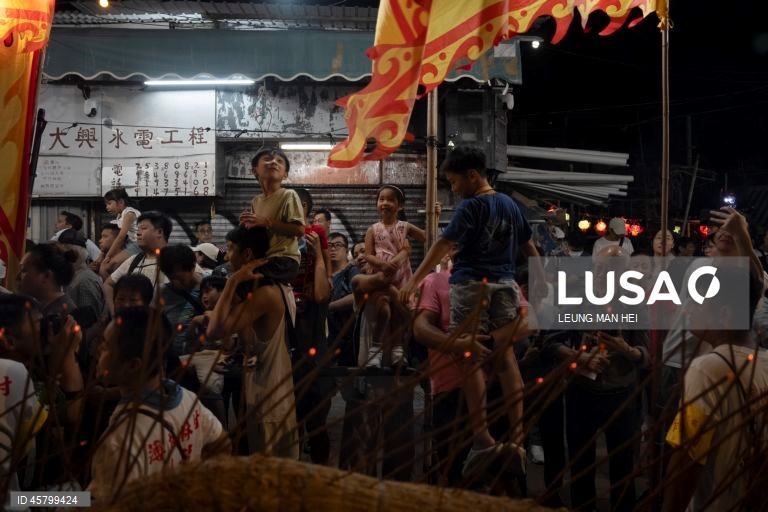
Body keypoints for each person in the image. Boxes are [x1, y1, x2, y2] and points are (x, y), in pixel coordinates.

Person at [400, 146, 546, 469]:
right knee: (506, 357)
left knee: (469, 357)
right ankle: (517, 439)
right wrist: (541, 280)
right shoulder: (510, 204)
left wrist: (414, 280)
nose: (453, 189)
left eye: (454, 182)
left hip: (470, 284)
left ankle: (482, 438)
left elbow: (443, 244)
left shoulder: (471, 206)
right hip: (505, 284)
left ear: (472, 176)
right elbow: (529, 246)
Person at [88, 306, 228, 504]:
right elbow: (223, 443)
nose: (98, 351)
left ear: (133, 365)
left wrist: (50, 499)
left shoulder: (119, 439)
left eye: (105, 346)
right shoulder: (188, 399)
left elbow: (100, 503)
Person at [547, 244, 650, 511]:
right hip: (581, 391)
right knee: (580, 462)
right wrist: (579, 357)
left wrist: (627, 350)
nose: (603, 276)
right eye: (599, 269)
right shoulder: (576, 297)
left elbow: (646, 354)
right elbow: (551, 341)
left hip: (621, 394)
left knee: (623, 464)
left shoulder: (635, 303)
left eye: (612, 271)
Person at [662, 268, 766, 512]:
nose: (687, 310)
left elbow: (687, 461)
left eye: (698, 302)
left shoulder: (708, 369)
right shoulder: (764, 362)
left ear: (724, 314)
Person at [206, 225, 300, 459]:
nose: (226, 256)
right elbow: (246, 339)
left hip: (270, 405)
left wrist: (232, 281)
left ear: (247, 254)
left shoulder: (265, 294)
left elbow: (213, 331)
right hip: (269, 400)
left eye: (230, 249)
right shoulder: (276, 286)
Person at [362, 185, 426, 366]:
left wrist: (434, 215)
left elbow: (426, 237)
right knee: (383, 309)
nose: (385, 203)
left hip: (402, 277)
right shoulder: (373, 229)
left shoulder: (404, 227)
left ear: (400, 205)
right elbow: (368, 255)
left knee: (398, 312)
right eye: (381, 199)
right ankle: (375, 349)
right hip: (381, 277)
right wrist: (381, 264)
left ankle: (398, 350)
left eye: (390, 200)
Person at [0, 295, 50, 503]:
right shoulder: (12, 371)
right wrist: (67, 358)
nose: (45, 330)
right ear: (9, 341)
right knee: (80, 498)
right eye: (38, 324)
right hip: (13, 501)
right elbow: (32, 451)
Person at [239, 147, 305, 283]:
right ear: (254, 170)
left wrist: (266, 222)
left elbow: (299, 230)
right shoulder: (256, 201)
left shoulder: (288, 195)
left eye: (279, 161)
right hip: (264, 259)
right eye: (267, 159)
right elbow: (258, 233)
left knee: (244, 284)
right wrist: (246, 225)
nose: (274, 162)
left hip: (284, 259)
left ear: (285, 174)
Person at [103, 211, 172, 316]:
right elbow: (108, 284)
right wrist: (114, 314)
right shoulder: (134, 260)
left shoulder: (175, 259)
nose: (138, 233)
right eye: (138, 229)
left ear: (159, 232)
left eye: (143, 228)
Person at [158, 245, 204, 377]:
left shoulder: (211, 288)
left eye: (179, 277)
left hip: (202, 364)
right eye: (170, 277)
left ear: (193, 267)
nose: (175, 282)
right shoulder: (162, 293)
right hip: (174, 366)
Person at [17, 242, 78, 317]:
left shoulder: (63, 317)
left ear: (46, 276)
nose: (17, 277)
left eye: (24, 270)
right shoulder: (43, 309)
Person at [58, 228, 104, 319]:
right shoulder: (73, 276)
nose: (62, 257)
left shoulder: (85, 280)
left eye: (66, 252)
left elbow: (89, 320)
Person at [100, 188, 141, 280]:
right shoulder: (120, 215)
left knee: (107, 267)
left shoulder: (129, 214)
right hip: (129, 243)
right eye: (106, 204)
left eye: (109, 203)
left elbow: (120, 237)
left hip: (137, 244)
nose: (107, 207)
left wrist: (107, 256)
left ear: (121, 202)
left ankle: (112, 286)